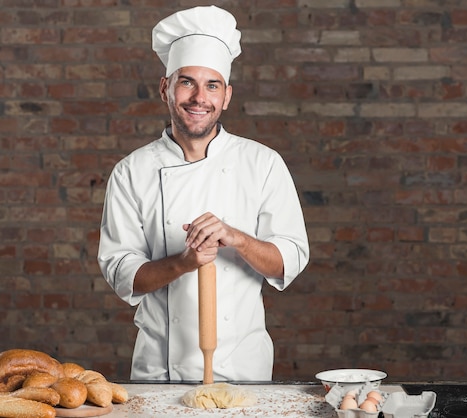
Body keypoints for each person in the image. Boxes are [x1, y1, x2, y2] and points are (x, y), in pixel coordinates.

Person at [97, 5, 309, 382]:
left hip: (244, 370)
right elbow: (122, 275)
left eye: (212, 85)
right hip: (159, 373)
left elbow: (289, 261)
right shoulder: (132, 172)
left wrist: (237, 238)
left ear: (226, 96)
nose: (199, 97)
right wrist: (183, 262)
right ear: (165, 88)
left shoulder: (262, 163)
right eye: (186, 82)